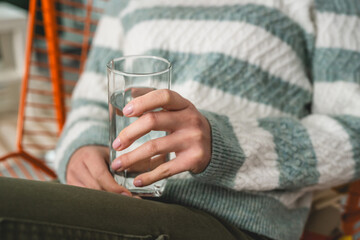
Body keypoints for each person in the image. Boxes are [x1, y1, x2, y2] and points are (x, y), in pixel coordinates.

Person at [1, 0, 360, 239]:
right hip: (117, 201)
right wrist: (82, 150)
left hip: (225, 221)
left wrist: (224, 145)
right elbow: (92, 101)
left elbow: (354, 133)